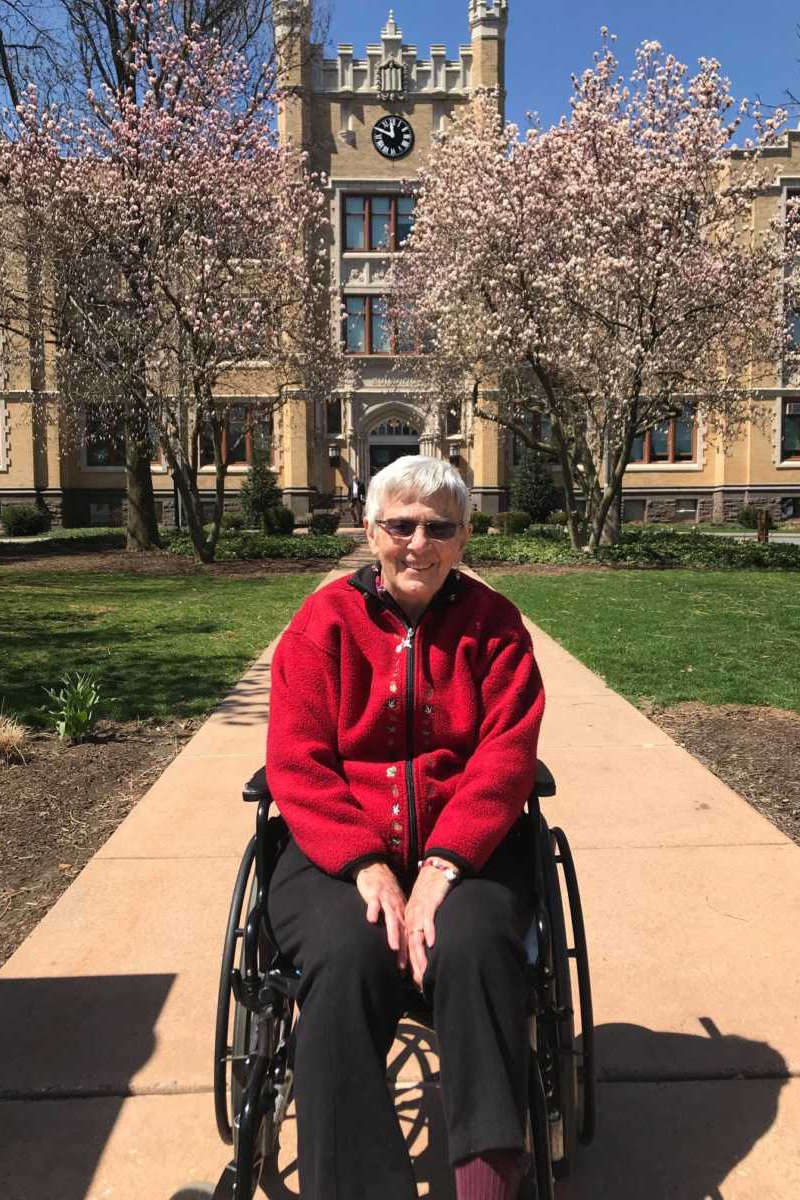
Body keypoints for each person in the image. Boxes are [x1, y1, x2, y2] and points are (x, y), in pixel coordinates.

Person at [266, 456, 545, 1200]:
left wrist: (444, 865)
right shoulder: (322, 623)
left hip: (472, 855)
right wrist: (368, 864)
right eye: (400, 525)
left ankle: (486, 1183)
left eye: (438, 528)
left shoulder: (496, 628)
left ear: (463, 539)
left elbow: (507, 757)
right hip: (337, 857)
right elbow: (296, 759)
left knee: (479, 944)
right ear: (370, 530)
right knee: (344, 952)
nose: (418, 543)